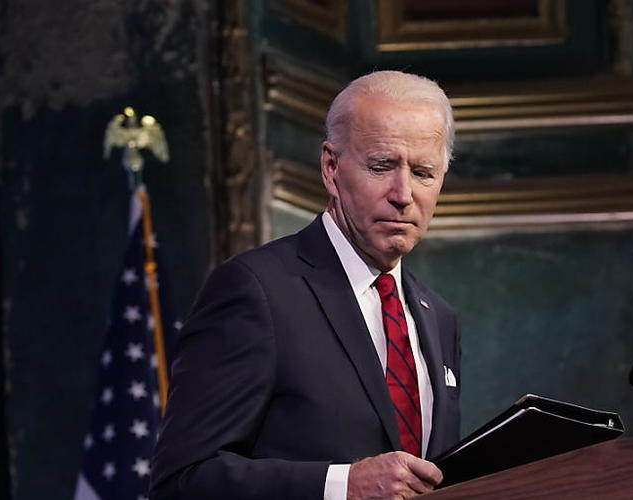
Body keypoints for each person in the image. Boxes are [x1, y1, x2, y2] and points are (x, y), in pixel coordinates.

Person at [151, 71, 461, 500]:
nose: (403, 193)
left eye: (424, 172)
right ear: (331, 168)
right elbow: (181, 481)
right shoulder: (257, 291)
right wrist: (342, 486)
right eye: (381, 166)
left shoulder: (438, 317)